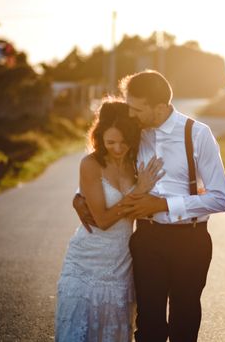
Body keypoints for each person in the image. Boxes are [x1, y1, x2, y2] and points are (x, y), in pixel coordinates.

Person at [74, 70, 225, 342]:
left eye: (136, 108)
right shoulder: (134, 132)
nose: (130, 114)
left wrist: (163, 204)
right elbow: (108, 161)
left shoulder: (197, 134)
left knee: (185, 320)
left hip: (191, 240)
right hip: (146, 238)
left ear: (159, 107)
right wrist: (80, 194)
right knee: (148, 323)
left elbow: (219, 198)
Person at [55, 99, 165, 342]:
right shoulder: (91, 163)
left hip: (120, 262)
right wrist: (138, 192)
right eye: (110, 142)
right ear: (99, 137)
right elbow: (102, 220)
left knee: (112, 332)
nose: (117, 148)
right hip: (86, 260)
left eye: (124, 142)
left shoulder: (136, 163)